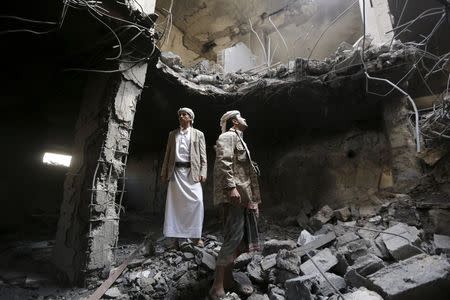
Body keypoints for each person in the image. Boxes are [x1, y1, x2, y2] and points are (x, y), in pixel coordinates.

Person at [209, 110, 261, 299]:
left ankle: (228, 279)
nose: (245, 119)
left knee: (239, 240)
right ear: (234, 121)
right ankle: (217, 286)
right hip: (234, 197)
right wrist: (231, 188)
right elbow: (224, 162)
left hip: (242, 197)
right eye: (242, 117)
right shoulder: (228, 137)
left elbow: (245, 173)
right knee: (232, 238)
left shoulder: (239, 139)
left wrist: (253, 200)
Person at [160, 107, 207, 248]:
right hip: (175, 173)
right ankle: (174, 239)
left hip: (191, 173)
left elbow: (203, 156)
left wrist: (203, 172)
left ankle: (195, 236)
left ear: (191, 118)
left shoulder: (199, 134)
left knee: (197, 202)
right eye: (180, 114)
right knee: (174, 206)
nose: (181, 116)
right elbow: (167, 155)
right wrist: (164, 172)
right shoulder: (172, 134)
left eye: (184, 114)